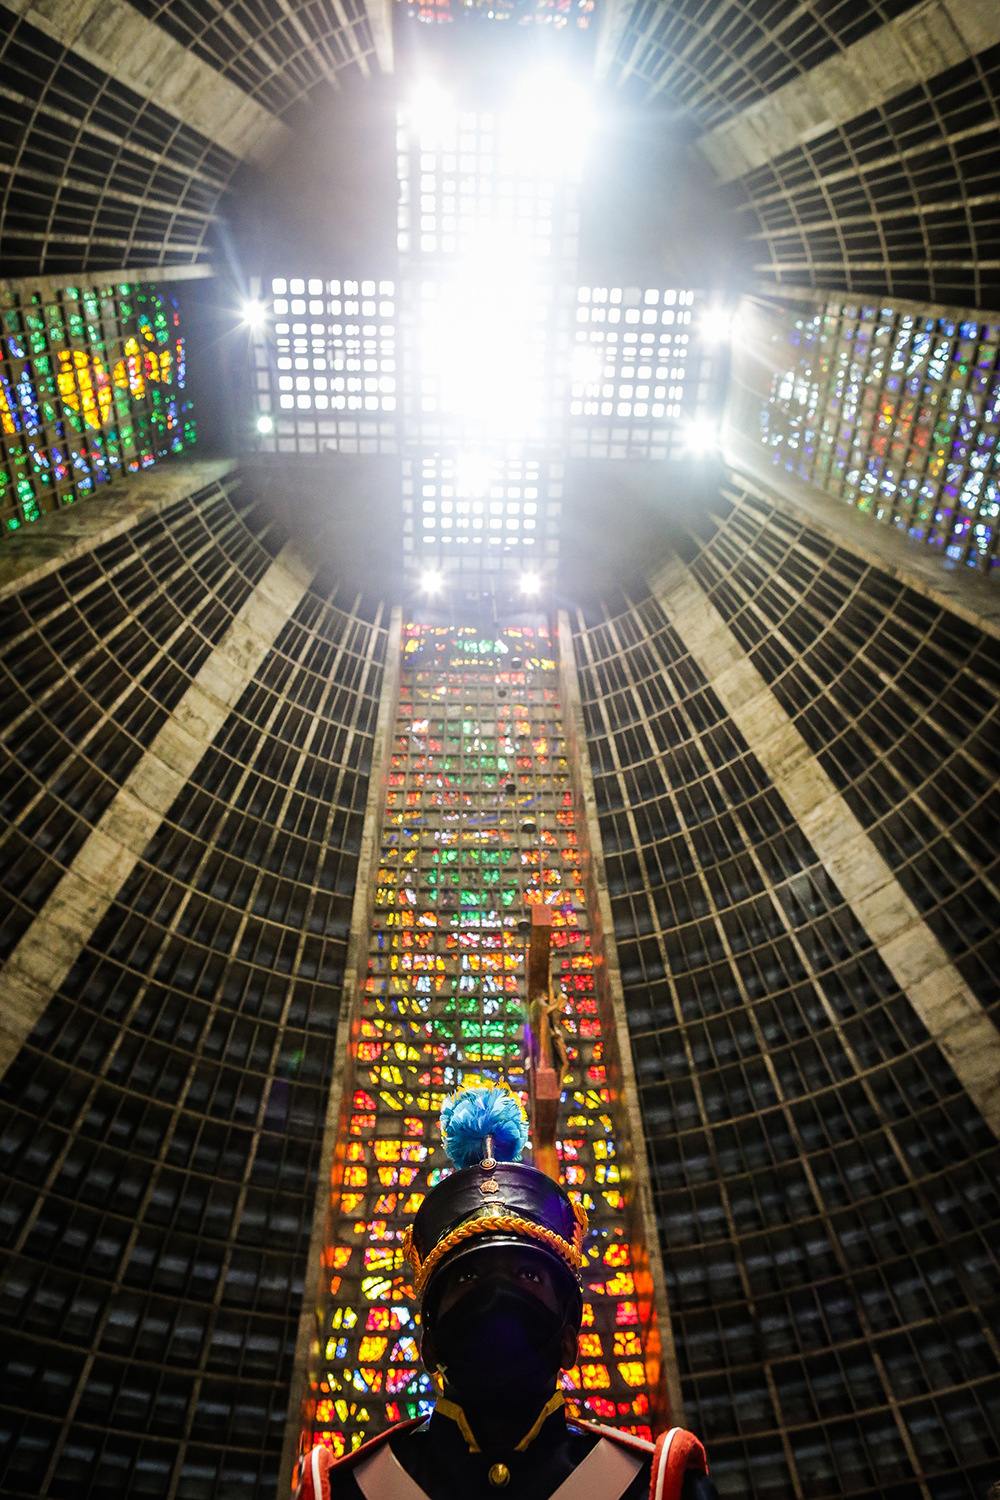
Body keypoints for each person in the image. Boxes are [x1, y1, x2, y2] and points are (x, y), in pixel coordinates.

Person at [296, 1085, 718, 1500]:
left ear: (570, 1341)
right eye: (467, 1277)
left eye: (528, 1275)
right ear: (428, 1344)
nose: (497, 1294)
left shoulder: (659, 1486)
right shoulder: (344, 1490)